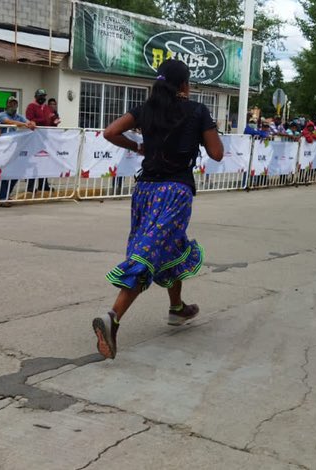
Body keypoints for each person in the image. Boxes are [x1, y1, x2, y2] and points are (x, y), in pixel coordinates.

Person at [93, 59, 223, 360]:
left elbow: (110, 132)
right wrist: (203, 131)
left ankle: (177, 308)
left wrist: (136, 146)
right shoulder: (197, 111)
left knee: (172, 245)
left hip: (145, 192)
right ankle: (112, 317)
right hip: (175, 192)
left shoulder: (146, 109)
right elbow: (217, 154)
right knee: (148, 255)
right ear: (184, 85)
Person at [0, 95, 37, 204]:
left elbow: (29, 123)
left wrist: (32, 123)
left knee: (16, 172)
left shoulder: (19, 116)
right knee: (5, 173)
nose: (13, 105)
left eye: (15, 103)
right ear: (7, 104)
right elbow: (8, 122)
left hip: (16, 148)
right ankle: (2, 197)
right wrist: (25, 124)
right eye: (11, 103)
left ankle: (5, 195)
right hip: (3, 148)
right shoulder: (1, 115)